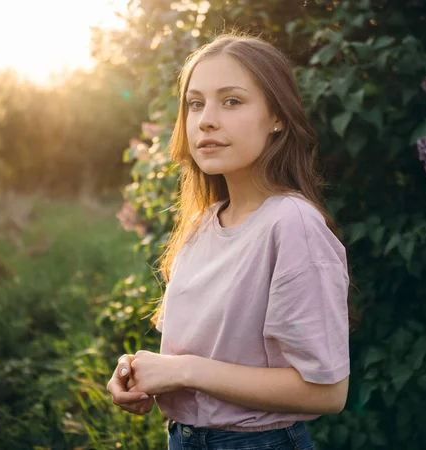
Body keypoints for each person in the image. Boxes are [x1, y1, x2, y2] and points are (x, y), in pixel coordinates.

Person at [107, 33, 351, 450]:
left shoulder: (292, 224)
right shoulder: (202, 223)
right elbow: (206, 352)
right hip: (184, 439)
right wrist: (139, 371)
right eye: (196, 103)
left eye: (232, 101)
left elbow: (327, 392)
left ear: (277, 117)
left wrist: (184, 371)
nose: (206, 120)